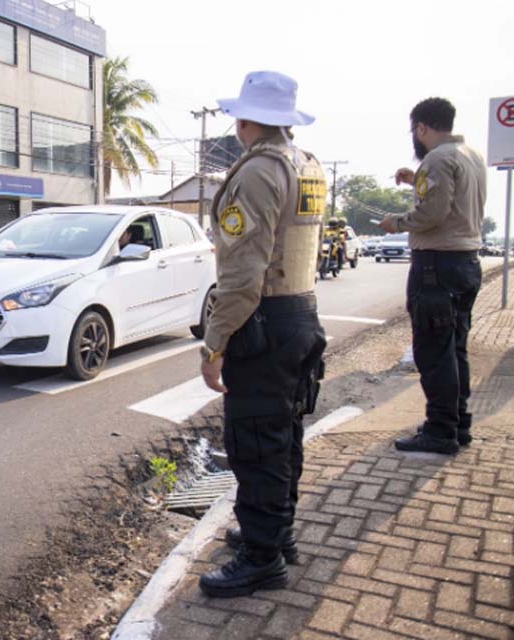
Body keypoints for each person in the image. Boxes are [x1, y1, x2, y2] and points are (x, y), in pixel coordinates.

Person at [197, 71, 327, 598]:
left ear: (245, 120)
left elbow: (243, 272)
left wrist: (214, 344)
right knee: (283, 436)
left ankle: (262, 558)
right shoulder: (305, 163)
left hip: (264, 321)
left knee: (255, 443)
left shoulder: (258, 171)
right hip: (300, 312)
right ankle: (276, 533)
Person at [379, 97, 487, 454]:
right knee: (454, 349)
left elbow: (432, 215)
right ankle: (458, 423)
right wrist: (417, 182)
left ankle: (440, 431)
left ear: (421, 128)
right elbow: (453, 201)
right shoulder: (471, 155)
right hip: (465, 262)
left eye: (414, 130)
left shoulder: (437, 159)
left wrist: (395, 222)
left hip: (436, 267)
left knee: (433, 351)